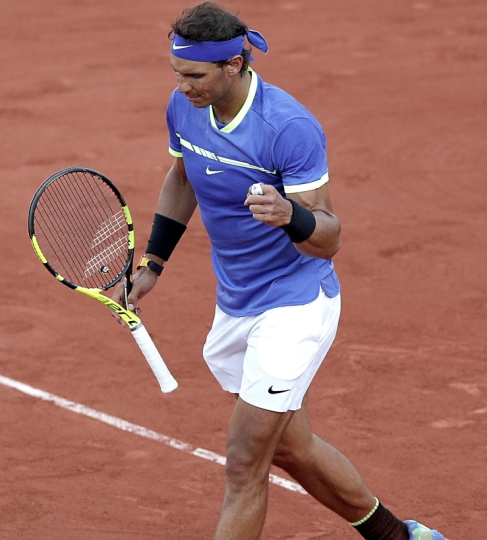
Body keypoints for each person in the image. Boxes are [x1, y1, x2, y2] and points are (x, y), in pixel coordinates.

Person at [115, 3, 448, 539]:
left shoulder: (288, 127)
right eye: (176, 74)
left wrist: (291, 215)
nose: (182, 87)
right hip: (237, 301)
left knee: (245, 462)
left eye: (194, 75)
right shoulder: (184, 108)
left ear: (235, 65)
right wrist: (153, 262)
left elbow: (328, 237)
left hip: (295, 305)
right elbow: (182, 178)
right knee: (292, 448)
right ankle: (401, 537)